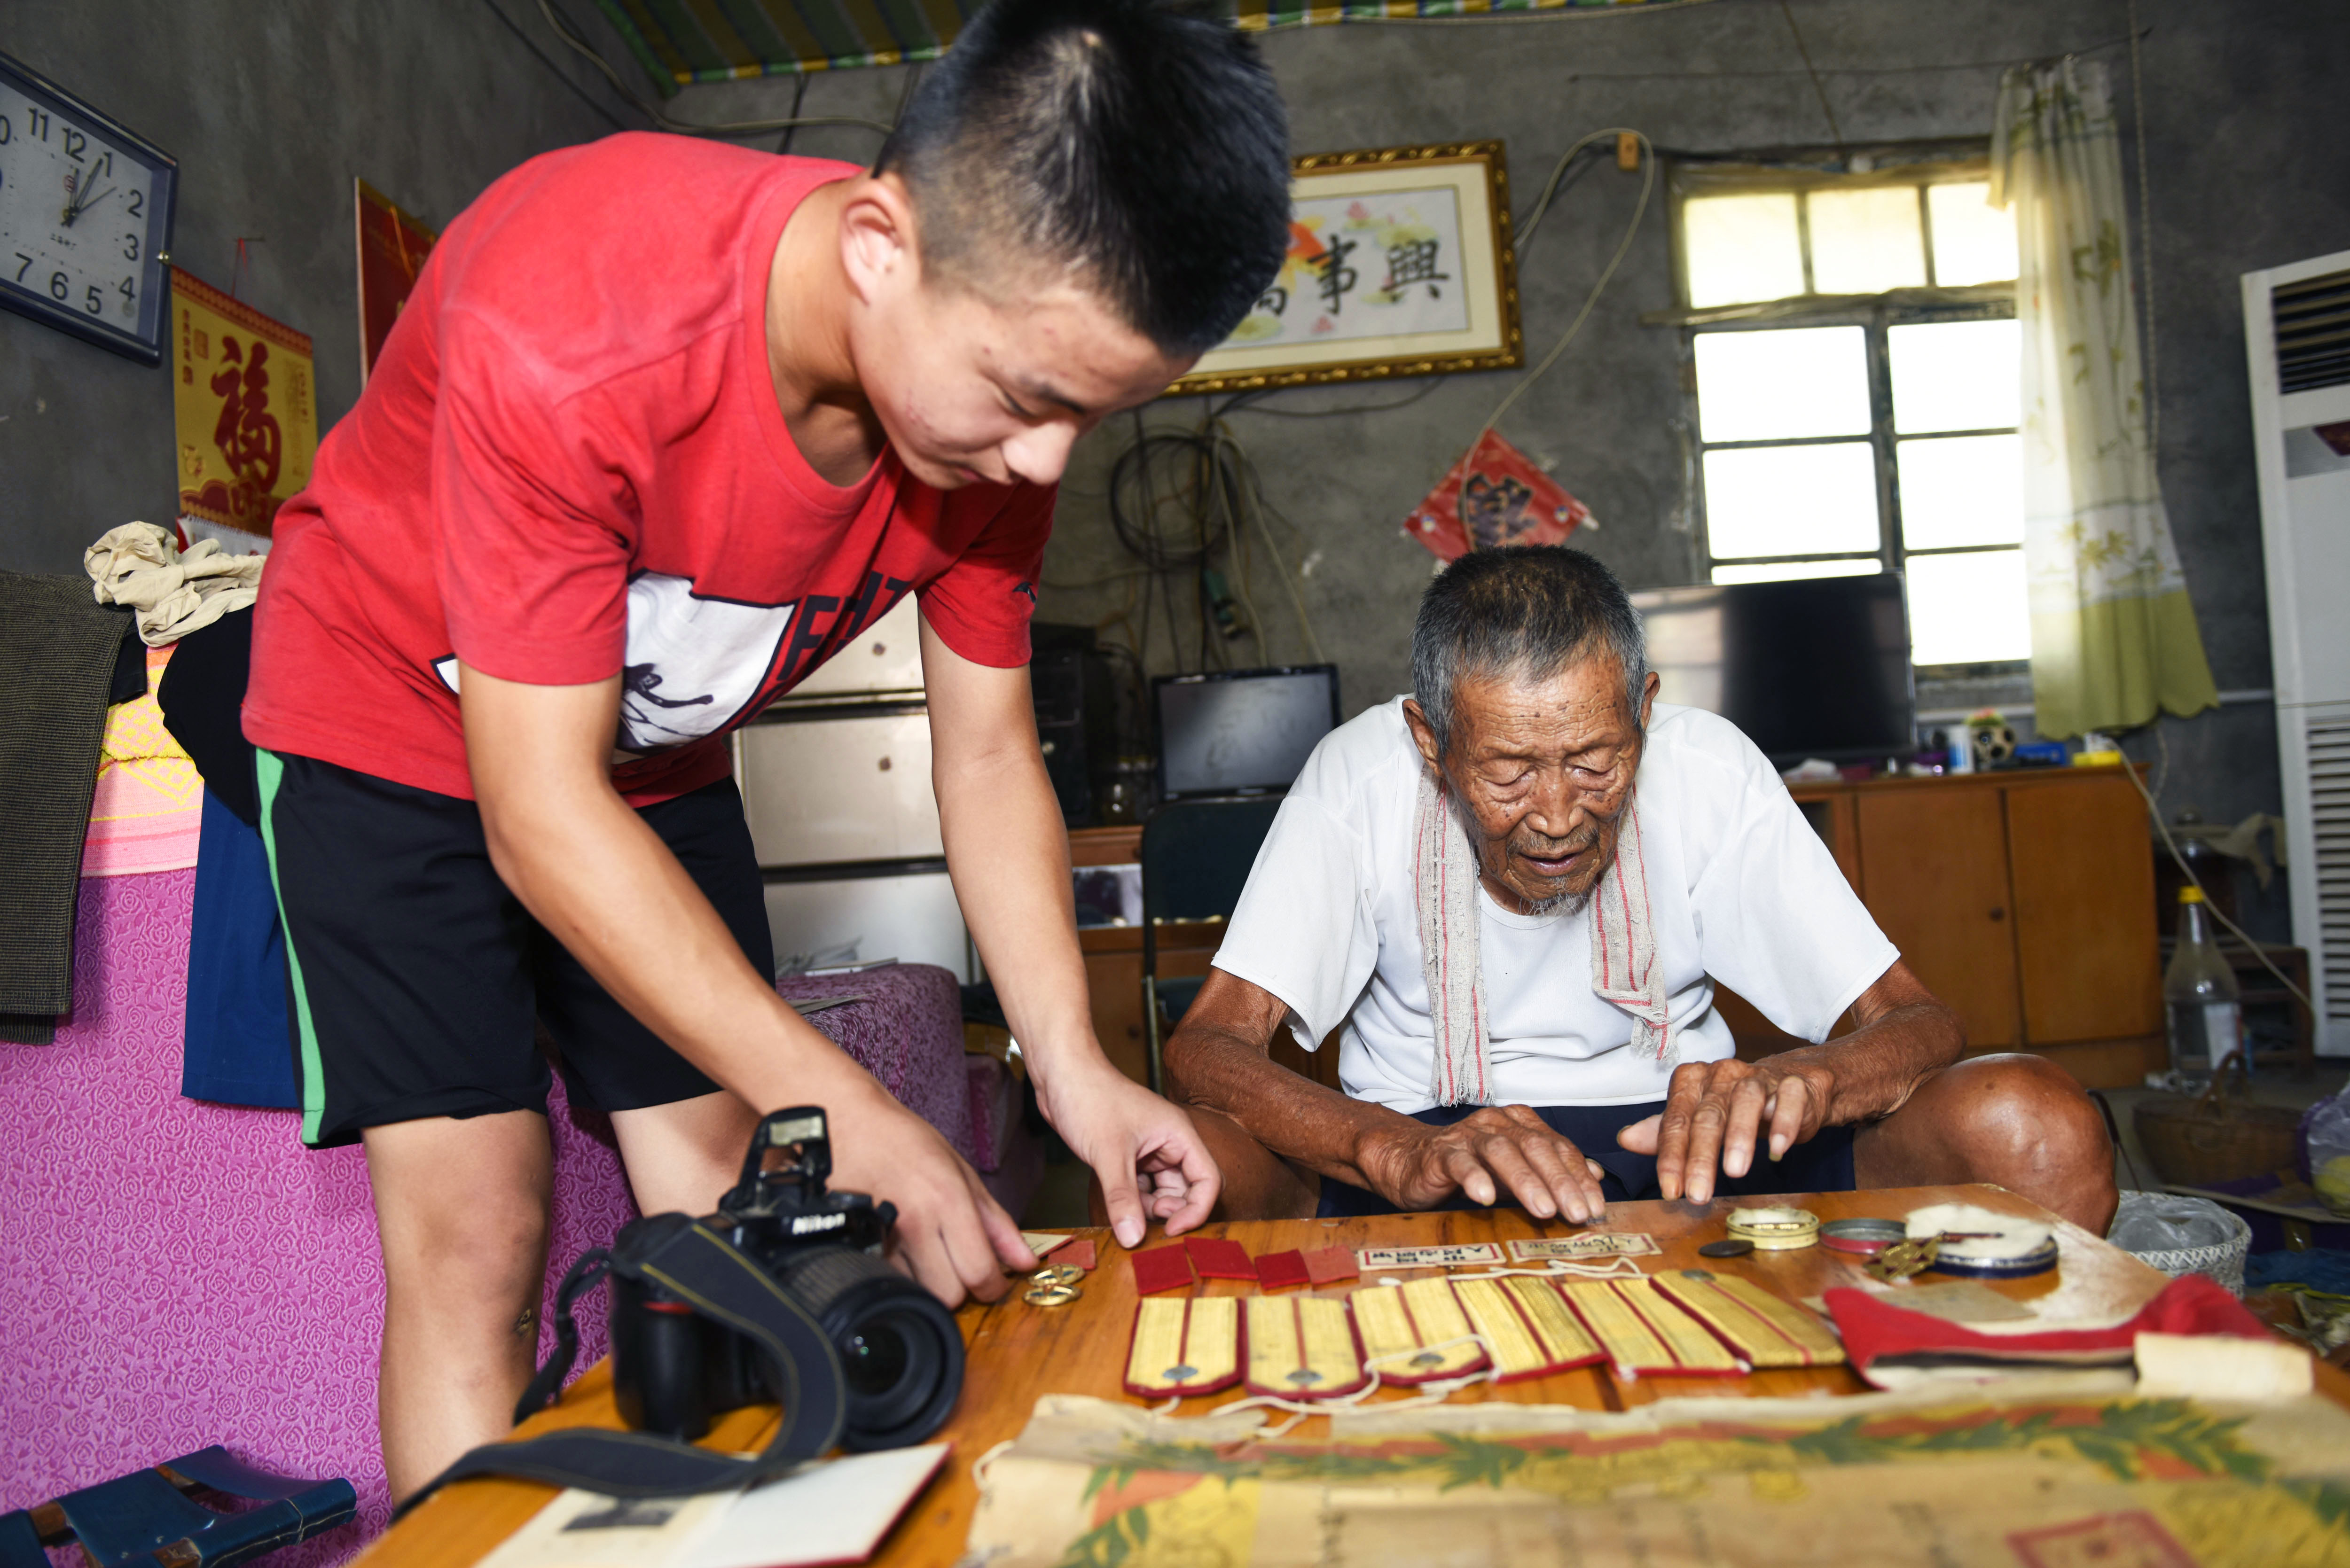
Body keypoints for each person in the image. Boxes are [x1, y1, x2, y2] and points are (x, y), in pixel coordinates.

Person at [239, 0, 1291, 1500]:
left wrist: (1075, 1067)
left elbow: (987, 756)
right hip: (386, 728)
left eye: (1096, 416)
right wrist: (851, 1099)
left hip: (647, 770)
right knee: (483, 1227)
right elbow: (536, 812)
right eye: (1029, 398)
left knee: (750, 1207)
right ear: (881, 242)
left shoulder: (985, 419)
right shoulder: (577, 324)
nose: (1047, 461)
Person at [1164, 547, 2117, 1236]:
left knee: (2035, 1120)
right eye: (1506, 772)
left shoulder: (1709, 767)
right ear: (1430, 741)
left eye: (1593, 762)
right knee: (1174, 1167)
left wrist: (1805, 1080)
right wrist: (1390, 1149)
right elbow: (1209, 1045)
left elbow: (1918, 1021)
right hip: (1427, 1152)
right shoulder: (1358, 777)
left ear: (1645, 711)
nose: (1554, 815)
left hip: (1689, 1146)